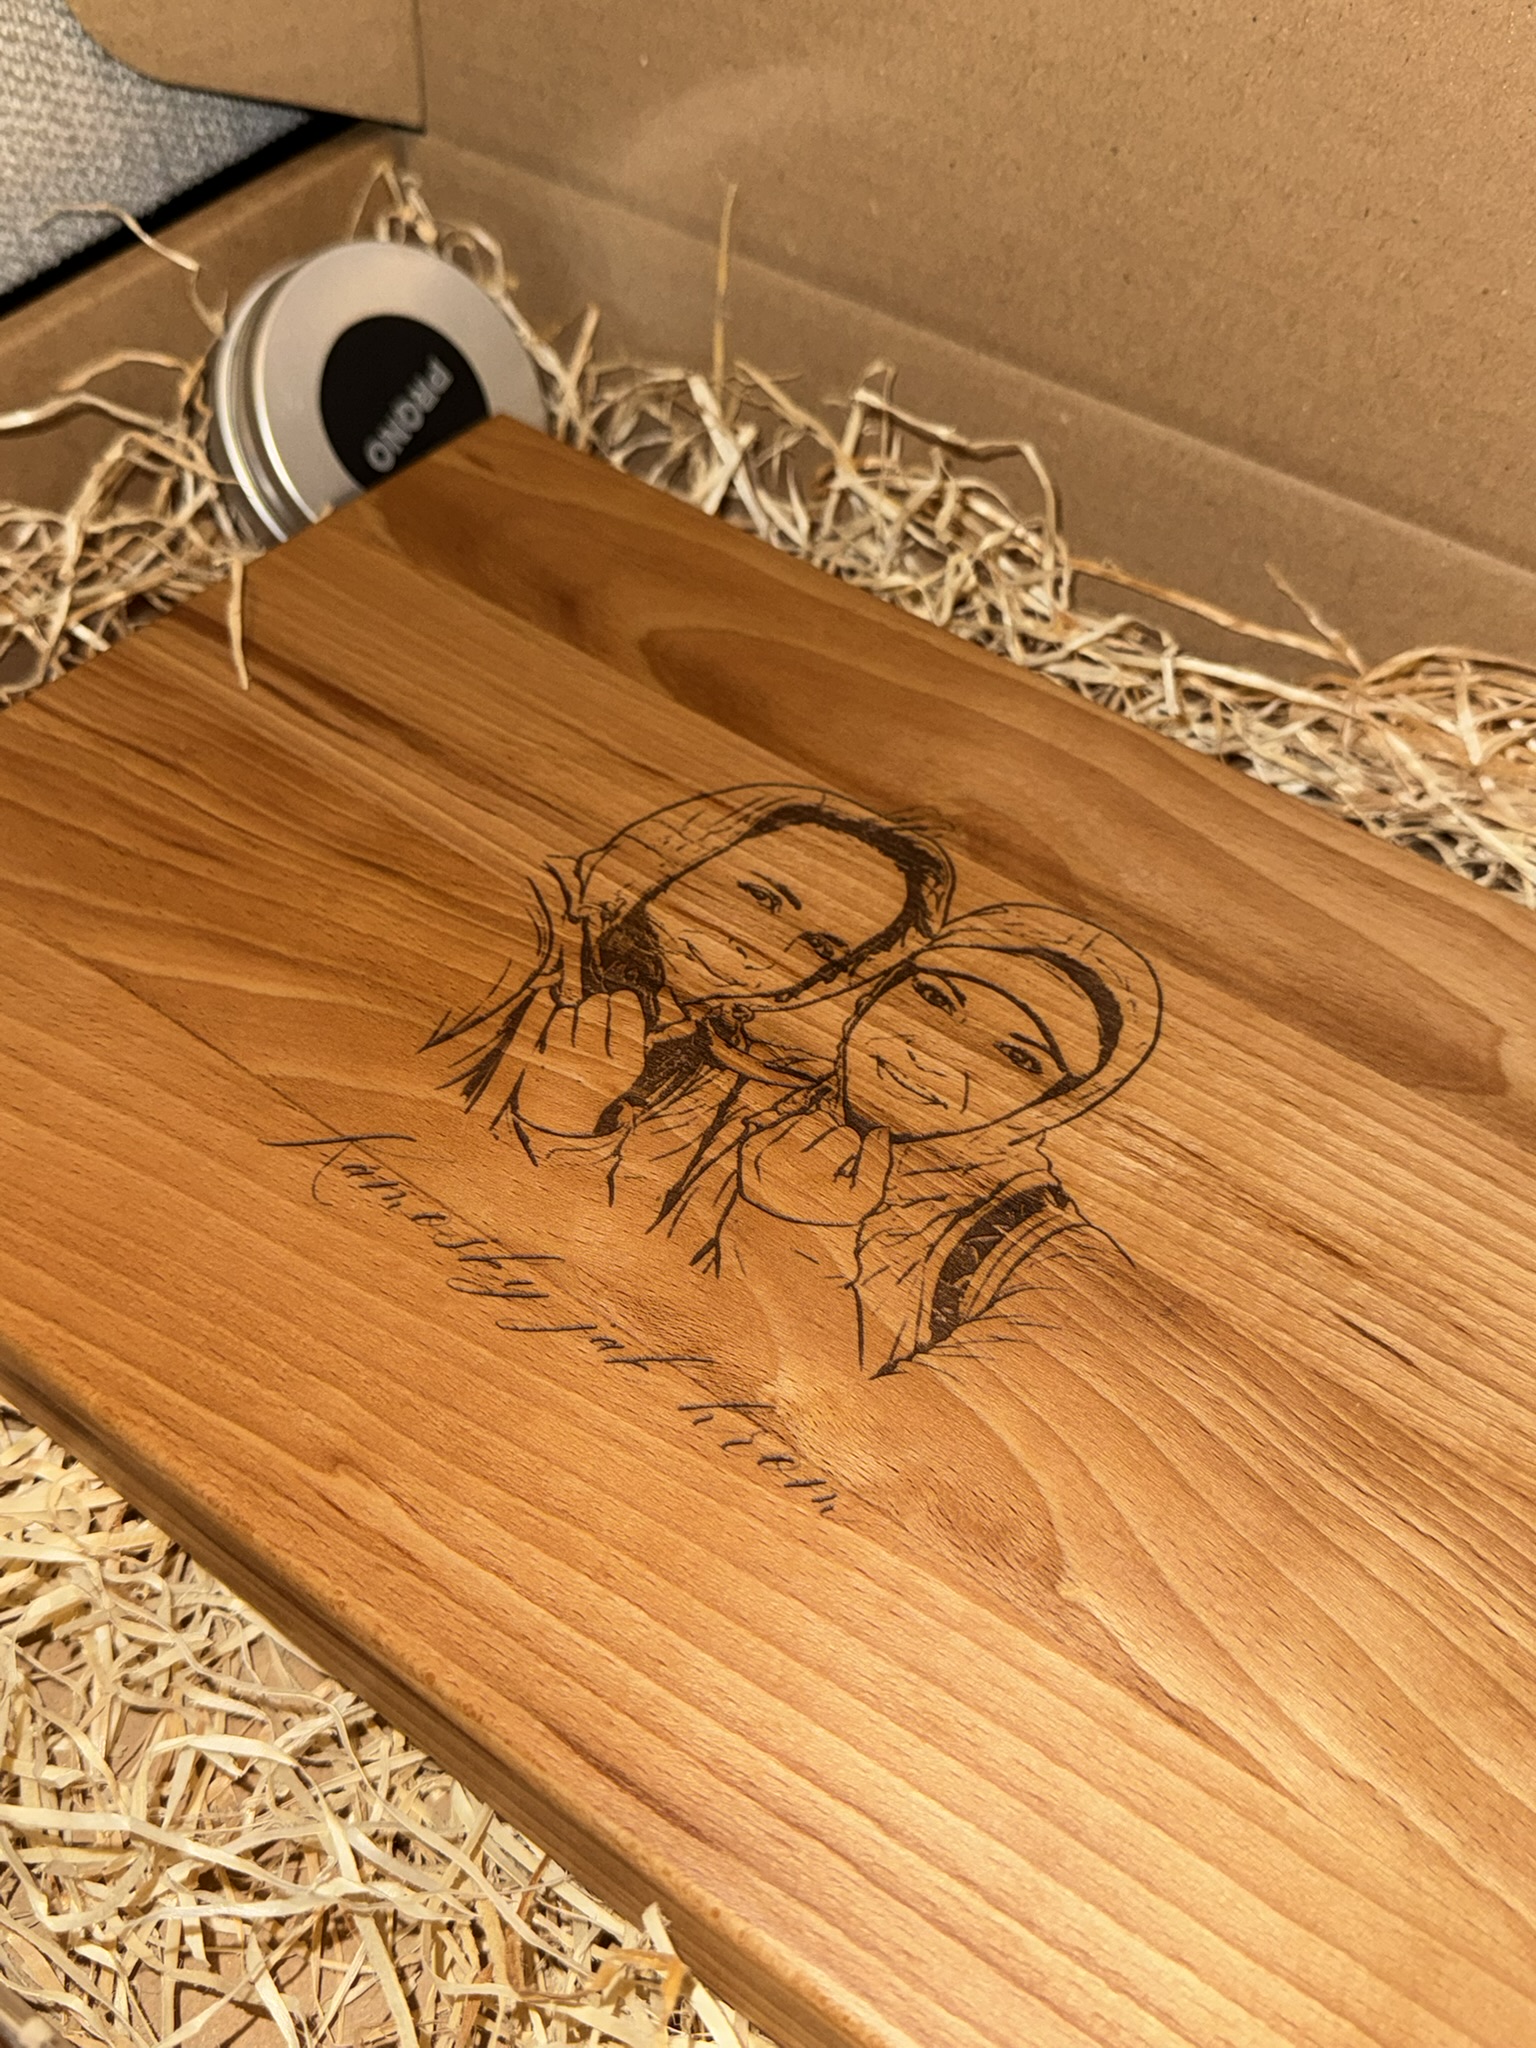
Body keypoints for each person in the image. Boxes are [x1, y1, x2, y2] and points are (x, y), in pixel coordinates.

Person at [675, 902, 1162, 1367]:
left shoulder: (1048, 1268)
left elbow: (837, 1415)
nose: (937, 1057)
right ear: (872, 994)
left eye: (1018, 1058)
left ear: (1049, 1107)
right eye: (935, 999)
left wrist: (798, 1228)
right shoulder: (726, 1074)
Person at [425, 784, 953, 1209]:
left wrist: (569, 1126)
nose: (765, 947)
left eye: (822, 948)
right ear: (687, 858)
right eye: (761, 896)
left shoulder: (748, 1078)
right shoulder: (529, 928)